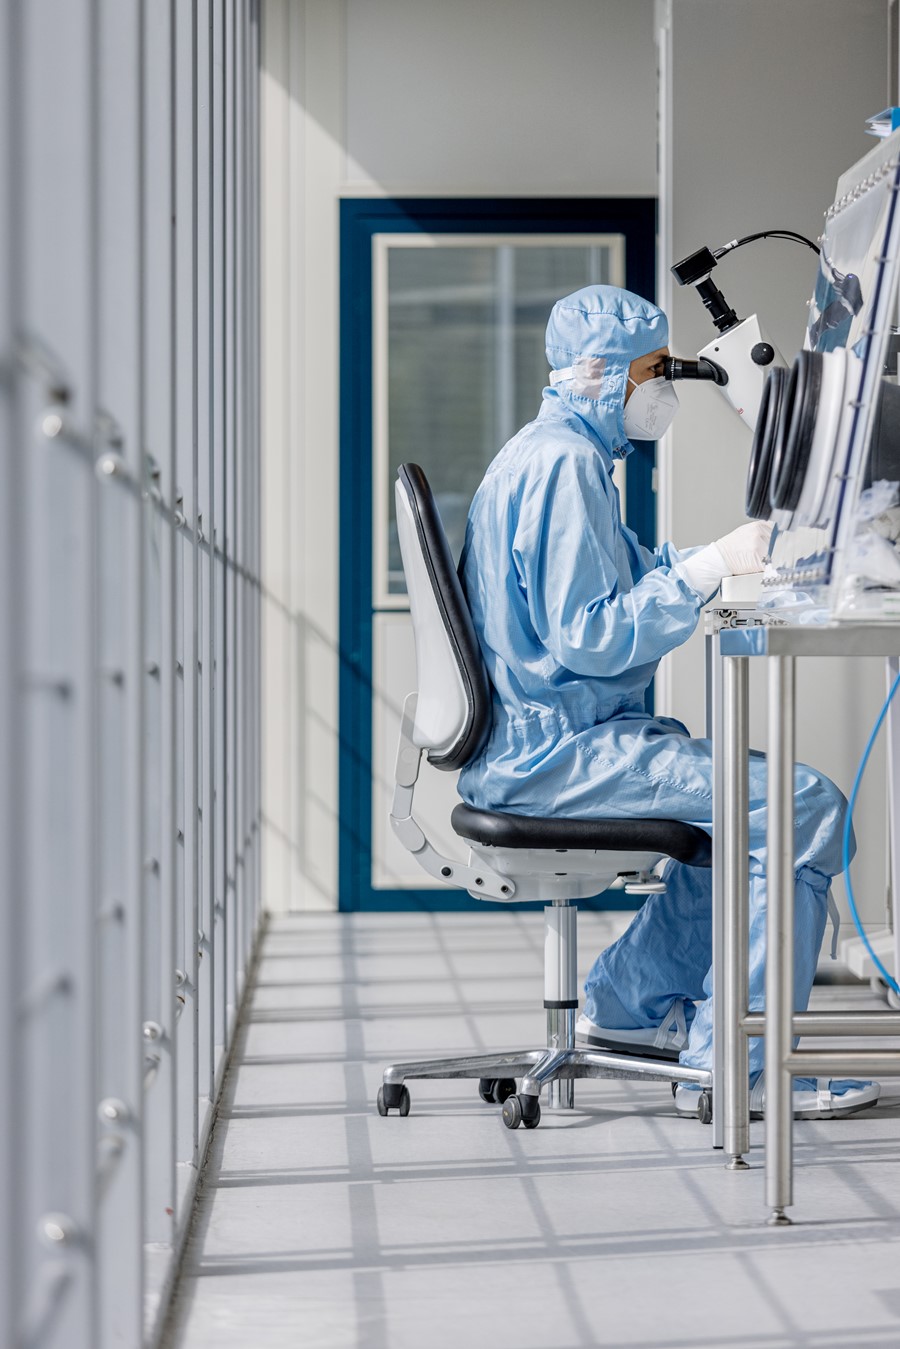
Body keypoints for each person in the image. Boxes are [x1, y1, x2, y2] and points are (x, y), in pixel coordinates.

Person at [458, 284, 879, 1120]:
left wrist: (714, 559)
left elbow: (622, 572)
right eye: (656, 372)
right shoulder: (565, 465)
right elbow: (589, 635)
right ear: (605, 373)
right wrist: (705, 570)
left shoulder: (552, 452)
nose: (667, 390)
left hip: (547, 745)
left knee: (738, 817)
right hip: (557, 757)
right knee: (806, 808)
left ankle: (627, 1008)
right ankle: (744, 1065)